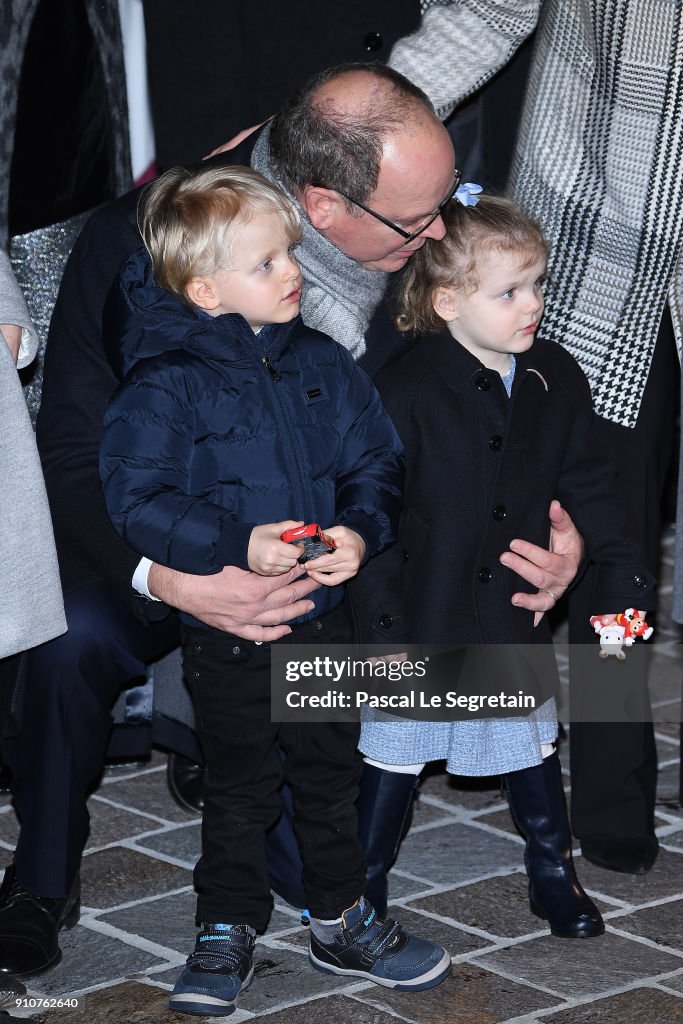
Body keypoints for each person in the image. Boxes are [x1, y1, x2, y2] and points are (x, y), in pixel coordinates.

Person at [0, 64, 582, 980]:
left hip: (329, 564)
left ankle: (275, 825)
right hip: (157, 536)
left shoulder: (415, 253)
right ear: (321, 204)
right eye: (414, 220)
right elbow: (73, 453)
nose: (439, 234)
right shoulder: (147, 241)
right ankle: (39, 879)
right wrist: (172, 578)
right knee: (70, 640)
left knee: (320, 837)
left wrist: (554, 526)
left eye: (444, 206)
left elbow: (488, 412)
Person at [98, 163, 452, 1014]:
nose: (291, 273)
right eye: (265, 265)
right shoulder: (165, 384)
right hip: (235, 634)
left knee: (330, 776)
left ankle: (340, 915)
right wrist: (231, 541)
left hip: (323, 620)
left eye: (288, 254)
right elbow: (135, 498)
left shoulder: (323, 362)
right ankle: (225, 925)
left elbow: (376, 460)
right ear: (206, 290)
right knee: (242, 783)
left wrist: (358, 532)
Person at [386, 0, 681, 875]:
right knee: (611, 555)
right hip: (592, 254)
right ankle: (611, 786)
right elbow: (482, 11)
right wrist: (334, 140)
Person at [351, 189, 655, 934]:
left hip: (508, 613)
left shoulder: (553, 377)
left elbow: (589, 486)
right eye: (509, 291)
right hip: (425, 608)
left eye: (538, 285)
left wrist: (621, 577)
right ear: (447, 301)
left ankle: (551, 868)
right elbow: (372, 518)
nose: (533, 305)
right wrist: (385, 628)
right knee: (395, 756)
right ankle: (361, 882)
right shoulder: (402, 392)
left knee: (528, 746)